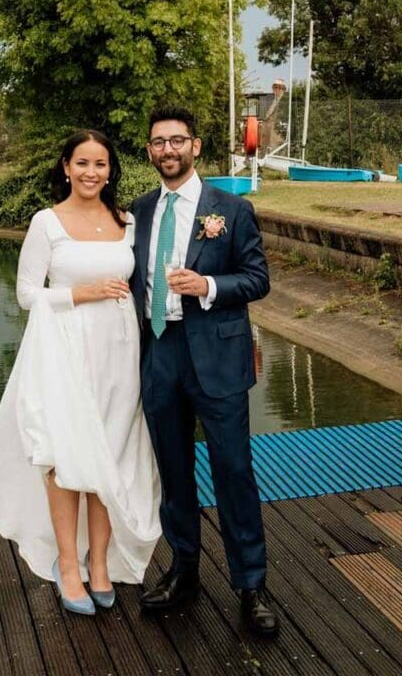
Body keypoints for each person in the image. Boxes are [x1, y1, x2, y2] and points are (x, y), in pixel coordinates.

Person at [0, 130, 162, 615]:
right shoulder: (46, 223)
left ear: (110, 171)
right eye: (82, 163)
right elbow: (26, 293)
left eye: (100, 164)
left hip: (118, 353)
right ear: (65, 167)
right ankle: (67, 564)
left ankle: (100, 563)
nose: (91, 172)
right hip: (62, 350)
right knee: (64, 457)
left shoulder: (127, 222)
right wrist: (81, 293)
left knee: (110, 455)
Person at [129, 105, 279, 639]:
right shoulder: (139, 212)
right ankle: (184, 572)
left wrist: (209, 287)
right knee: (173, 472)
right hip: (161, 355)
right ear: (149, 152)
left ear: (195, 147)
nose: (167, 150)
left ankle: (251, 585)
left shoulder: (230, 210)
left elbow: (257, 280)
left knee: (234, 472)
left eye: (176, 141)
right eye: (157, 142)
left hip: (217, 357)